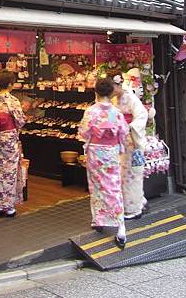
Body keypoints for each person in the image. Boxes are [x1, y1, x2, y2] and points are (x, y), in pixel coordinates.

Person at [78, 77, 129, 248]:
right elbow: (123, 132)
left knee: (96, 186)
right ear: (111, 92)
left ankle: (99, 219)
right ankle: (120, 225)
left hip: (95, 152)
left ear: (96, 92)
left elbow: (84, 132)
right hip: (112, 152)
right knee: (113, 186)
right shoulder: (117, 113)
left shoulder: (91, 112)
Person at [0, 69, 25, 217]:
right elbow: (20, 120)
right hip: (8, 138)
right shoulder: (12, 100)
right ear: (10, 84)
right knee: (9, 171)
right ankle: (8, 206)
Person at [112, 73, 149, 220]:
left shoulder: (131, 98)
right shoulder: (115, 99)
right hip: (122, 139)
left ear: (119, 85)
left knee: (133, 174)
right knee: (124, 174)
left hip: (132, 140)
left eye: (113, 87)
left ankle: (135, 208)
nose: (112, 91)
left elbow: (142, 115)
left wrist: (130, 127)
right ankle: (138, 201)